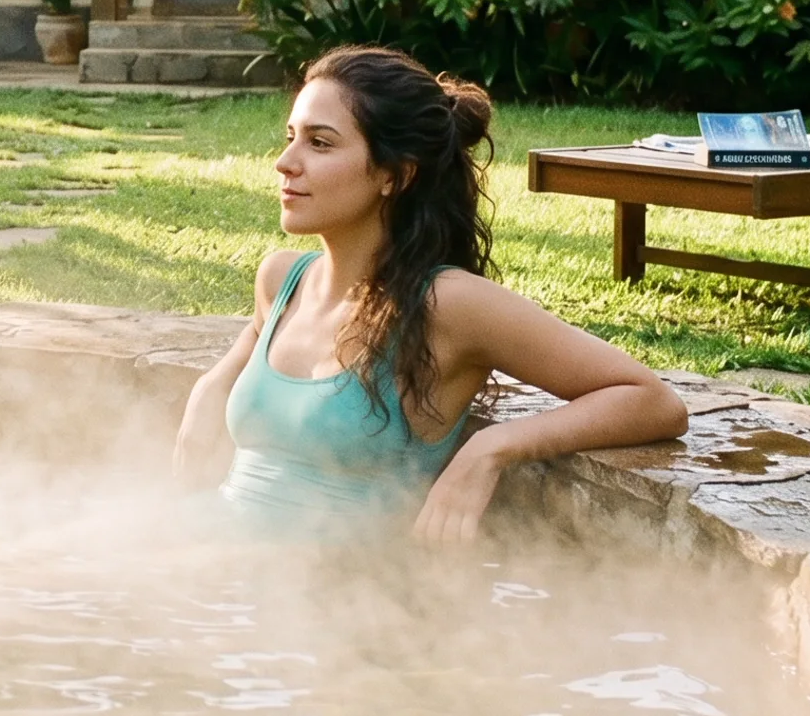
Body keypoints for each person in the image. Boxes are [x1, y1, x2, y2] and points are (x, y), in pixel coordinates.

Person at [172, 46, 689, 542]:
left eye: (320, 143)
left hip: (331, 589)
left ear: (395, 175)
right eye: (291, 137)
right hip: (217, 554)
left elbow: (652, 400)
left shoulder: (446, 304)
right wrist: (211, 386)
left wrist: (492, 447)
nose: (286, 162)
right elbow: (247, 355)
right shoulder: (283, 280)